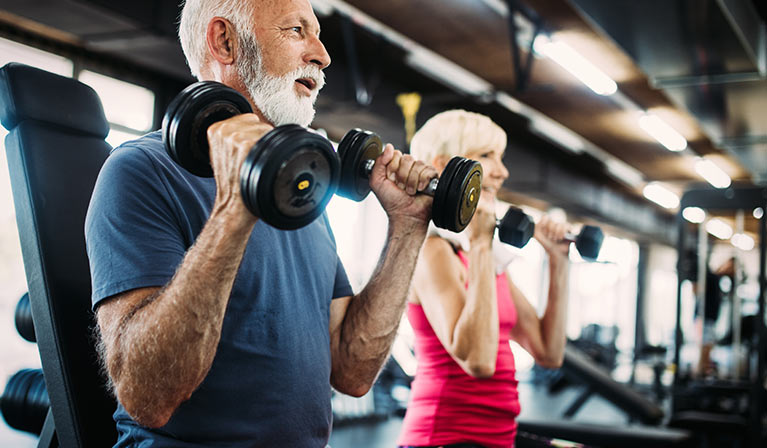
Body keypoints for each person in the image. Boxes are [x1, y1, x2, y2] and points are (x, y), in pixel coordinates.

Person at [85, 0, 438, 446]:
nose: (322, 55)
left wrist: (407, 226)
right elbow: (148, 397)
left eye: (318, 34)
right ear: (225, 41)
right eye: (296, 31)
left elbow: (351, 370)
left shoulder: (302, 193)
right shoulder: (141, 170)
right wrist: (235, 208)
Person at [396, 110, 572, 448]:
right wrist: (480, 243)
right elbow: (477, 361)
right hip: (446, 438)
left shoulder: (485, 262)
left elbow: (549, 353)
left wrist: (558, 260)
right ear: (446, 165)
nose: (502, 172)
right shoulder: (432, 251)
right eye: (487, 156)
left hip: (497, 437)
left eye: (500, 158)